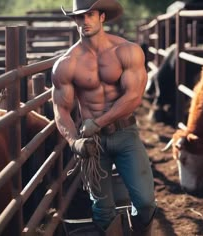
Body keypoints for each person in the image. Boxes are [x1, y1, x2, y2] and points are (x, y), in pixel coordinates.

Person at [51, 0, 157, 235]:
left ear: (102, 17)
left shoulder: (127, 51)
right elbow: (61, 110)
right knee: (102, 208)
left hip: (125, 134)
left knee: (146, 202)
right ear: (75, 20)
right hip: (93, 143)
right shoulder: (66, 64)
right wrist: (74, 142)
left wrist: (98, 122)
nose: (85, 20)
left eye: (90, 15)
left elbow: (133, 97)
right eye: (80, 16)